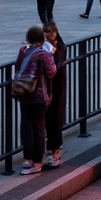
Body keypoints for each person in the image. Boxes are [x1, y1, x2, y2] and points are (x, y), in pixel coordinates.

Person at [15, 25, 57, 175]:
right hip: (39, 94)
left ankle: (27, 159)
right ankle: (38, 162)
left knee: (25, 125)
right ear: (42, 39)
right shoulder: (43, 54)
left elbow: (18, 68)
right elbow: (52, 72)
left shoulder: (23, 51)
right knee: (39, 127)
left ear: (28, 38)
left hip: (24, 93)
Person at [42, 20, 67, 168]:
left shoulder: (57, 48)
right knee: (52, 117)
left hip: (54, 88)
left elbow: (54, 69)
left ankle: (55, 149)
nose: (51, 36)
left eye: (52, 33)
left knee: (54, 117)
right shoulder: (58, 46)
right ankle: (54, 148)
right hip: (53, 88)